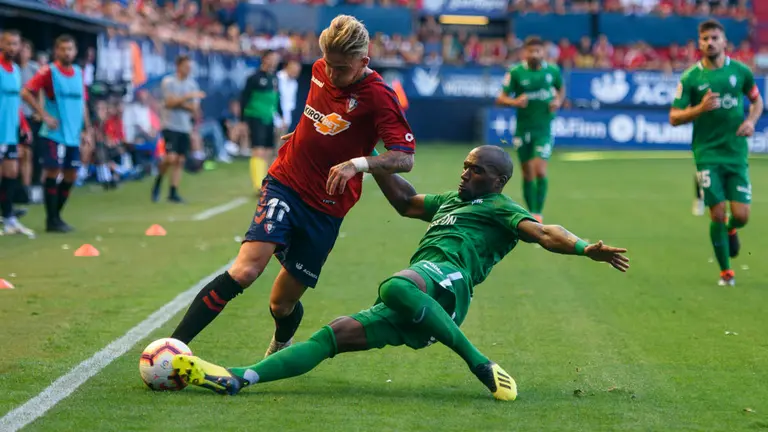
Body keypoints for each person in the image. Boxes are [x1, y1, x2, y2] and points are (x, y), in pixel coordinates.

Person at [171, 146, 629, 400]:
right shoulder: (451, 202)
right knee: (332, 335)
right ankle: (240, 377)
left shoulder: (501, 208)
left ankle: (480, 363)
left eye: (478, 171)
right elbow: (405, 202)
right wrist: (371, 159)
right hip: (423, 299)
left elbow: (545, 231)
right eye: (466, 167)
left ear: (499, 181)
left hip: (448, 285)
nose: (467, 175)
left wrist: (586, 247)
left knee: (396, 283)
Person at [168, 15, 417, 358]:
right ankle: (173, 347)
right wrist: (303, 135)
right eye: (328, 64)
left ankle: (280, 341)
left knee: (281, 304)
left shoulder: (379, 96)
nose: (331, 74)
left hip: (327, 207)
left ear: (364, 61)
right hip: (286, 181)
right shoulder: (318, 68)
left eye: (341, 68)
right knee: (246, 269)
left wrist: (357, 163)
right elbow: (316, 113)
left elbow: (404, 156)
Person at [670, 19, 763, 286]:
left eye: (714, 38)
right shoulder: (691, 78)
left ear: (724, 42)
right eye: (705, 39)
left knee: (741, 215)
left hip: (736, 153)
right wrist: (698, 109)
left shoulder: (741, 72)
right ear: (699, 43)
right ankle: (726, 272)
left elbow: (757, 101)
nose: (709, 43)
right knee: (717, 214)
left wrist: (751, 122)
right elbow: (674, 117)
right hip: (707, 153)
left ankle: (732, 229)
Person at [21, 34, 90, 233]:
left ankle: (56, 216)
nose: (67, 52)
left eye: (70, 49)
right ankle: (52, 219)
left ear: (75, 51)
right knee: (53, 171)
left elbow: (82, 102)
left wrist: (87, 129)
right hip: (54, 133)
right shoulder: (48, 72)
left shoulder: (78, 72)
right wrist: (43, 115)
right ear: (56, 51)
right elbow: (26, 92)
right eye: (63, 49)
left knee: (71, 174)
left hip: (73, 134)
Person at [496, 36, 564, 223]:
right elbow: (500, 98)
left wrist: (558, 100)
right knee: (527, 172)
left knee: (540, 170)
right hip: (523, 129)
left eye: (538, 51)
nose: (534, 54)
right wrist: (514, 101)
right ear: (525, 53)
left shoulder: (552, 71)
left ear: (543, 52)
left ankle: (537, 213)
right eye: (531, 51)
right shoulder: (516, 72)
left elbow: (561, 88)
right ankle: (531, 210)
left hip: (544, 128)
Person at [151, 55, 204, 203]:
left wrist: (179, 102)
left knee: (180, 160)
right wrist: (188, 97)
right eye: (186, 66)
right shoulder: (169, 82)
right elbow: (168, 102)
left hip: (184, 127)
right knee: (171, 157)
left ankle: (173, 192)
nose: (188, 70)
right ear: (178, 66)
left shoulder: (192, 84)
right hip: (170, 125)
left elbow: (194, 107)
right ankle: (159, 179)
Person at [0, 30, 33, 236]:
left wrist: (25, 126)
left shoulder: (15, 70)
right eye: (8, 44)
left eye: (15, 44)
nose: (12, 48)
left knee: (11, 173)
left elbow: (16, 103)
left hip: (10, 131)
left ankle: (9, 218)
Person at [242, 50, 282, 194]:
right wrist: (242, 120)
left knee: (268, 151)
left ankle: (265, 182)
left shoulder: (274, 78)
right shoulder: (254, 77)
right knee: (258, 149)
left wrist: (281, 115)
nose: (274, 61)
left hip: (269, 117)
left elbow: (277, 98)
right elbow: (244, 98)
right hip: (255, 117)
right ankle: (258, 185)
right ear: (264, 59)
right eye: (271, 58)